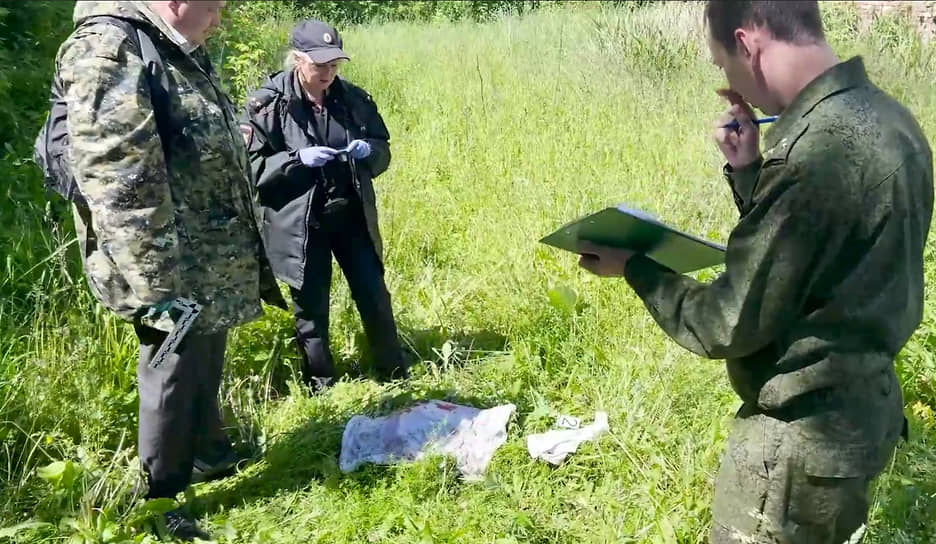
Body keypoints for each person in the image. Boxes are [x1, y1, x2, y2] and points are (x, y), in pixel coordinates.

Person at [577, 1, 933, 542]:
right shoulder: (890, 119)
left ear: (748, 45)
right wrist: (749, 171)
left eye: (724, 64)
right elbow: (820, 253)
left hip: (797, 444)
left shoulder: (813, 156)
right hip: (863, 414)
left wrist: (635, 267)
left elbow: (726, 320)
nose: (731, 81)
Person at [53, 1, 285, 539]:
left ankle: (207, 449)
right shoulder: (112, 49)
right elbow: (118, 180)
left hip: (204, 256)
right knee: (172, 367)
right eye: (213, 6)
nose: (219, 19)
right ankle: (161, 502)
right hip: (165, 267)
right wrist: (158, 286)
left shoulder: (169, 47)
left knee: (205, 350)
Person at [240, 19, 409, 391]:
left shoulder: (353, 100)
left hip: (350, 215)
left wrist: (368, 153)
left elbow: (382, 149)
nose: (328, 74)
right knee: (311, 309)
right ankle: (321, 385)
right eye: (320, 66)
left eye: (334, 65)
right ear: (297, 60)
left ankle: (394, 373)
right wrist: (295, 160)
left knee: (373, 293)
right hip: (301, 224)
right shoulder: (266, 107)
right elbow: (249, 170)